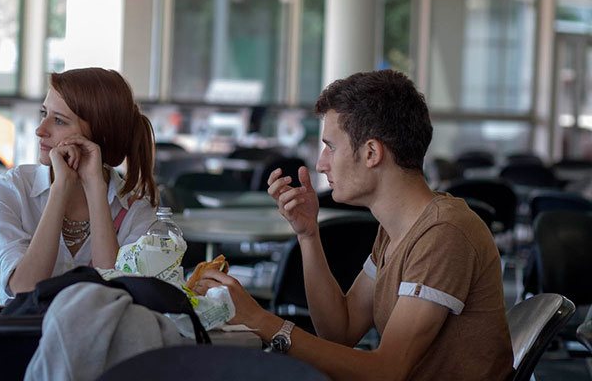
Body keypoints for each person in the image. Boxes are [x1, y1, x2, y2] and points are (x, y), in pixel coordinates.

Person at [193, 70, 513, 381]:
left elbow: (386, 371)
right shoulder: (395, 230)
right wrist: (308, 234)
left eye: (331, 146)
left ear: (372, 152)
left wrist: (257, 319)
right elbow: (339, 332)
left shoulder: (444, 233)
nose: (320, 163)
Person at [0, 68, 158, 305]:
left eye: (59, 121)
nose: (40, 130)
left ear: (100, 136)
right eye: (43, 113)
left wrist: (95, 187)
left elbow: (113, 295)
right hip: (21, 337)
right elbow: (23, 290)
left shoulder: (137, 210)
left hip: (99, 338)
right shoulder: (10, 190)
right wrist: (60, 188)